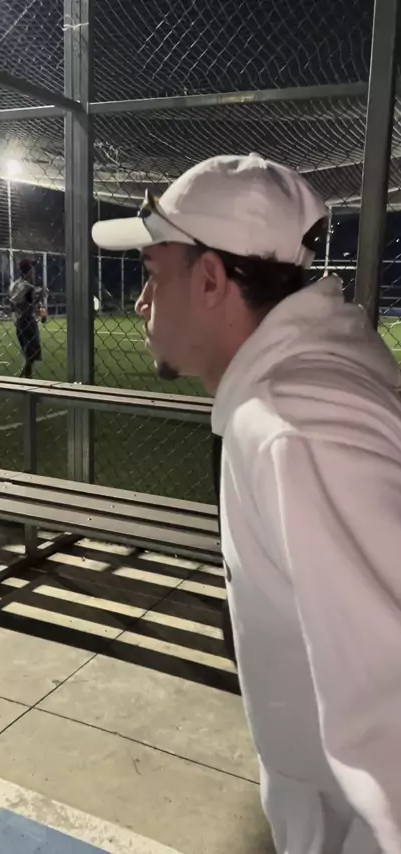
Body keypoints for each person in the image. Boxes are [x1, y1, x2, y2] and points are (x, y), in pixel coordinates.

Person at [92, 153, 401, 854]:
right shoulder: (288, 400)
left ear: (209, 279)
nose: (141, 302)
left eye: (152, 275)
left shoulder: (299, 430)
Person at [9, 259, 46, 378]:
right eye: (31, 268)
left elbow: (13, 304)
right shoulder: (27, 287)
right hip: (28, 321)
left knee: (27, 351)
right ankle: (25, 376)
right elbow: (28, 304)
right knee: (32, 352)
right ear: (29, 270)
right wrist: (38, 299)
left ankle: (24, 375)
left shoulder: (14, 285)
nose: (33, 271)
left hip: (19, 322)